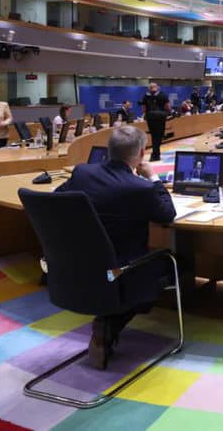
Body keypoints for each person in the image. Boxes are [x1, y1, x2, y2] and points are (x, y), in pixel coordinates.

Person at [54, 125, 175, 369]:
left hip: (75, 269)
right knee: (172, 263)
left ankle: (107, 322)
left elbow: (57, 198)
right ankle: (111, 322)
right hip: (118, 272)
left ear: (108, 150)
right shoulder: (140, 188)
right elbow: (167, 214)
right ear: (142, 154)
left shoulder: (82, 174)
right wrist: (152, 177)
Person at [139, 82, 169, 161]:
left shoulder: (146, 96)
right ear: (157, 87)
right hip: (160, 118)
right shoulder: (163, 95)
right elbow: (167, 107)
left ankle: (156, 154)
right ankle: (155, 154)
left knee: (154, 136)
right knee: (159, 136)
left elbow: (144, 109)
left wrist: (146, 115)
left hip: (150, 118)